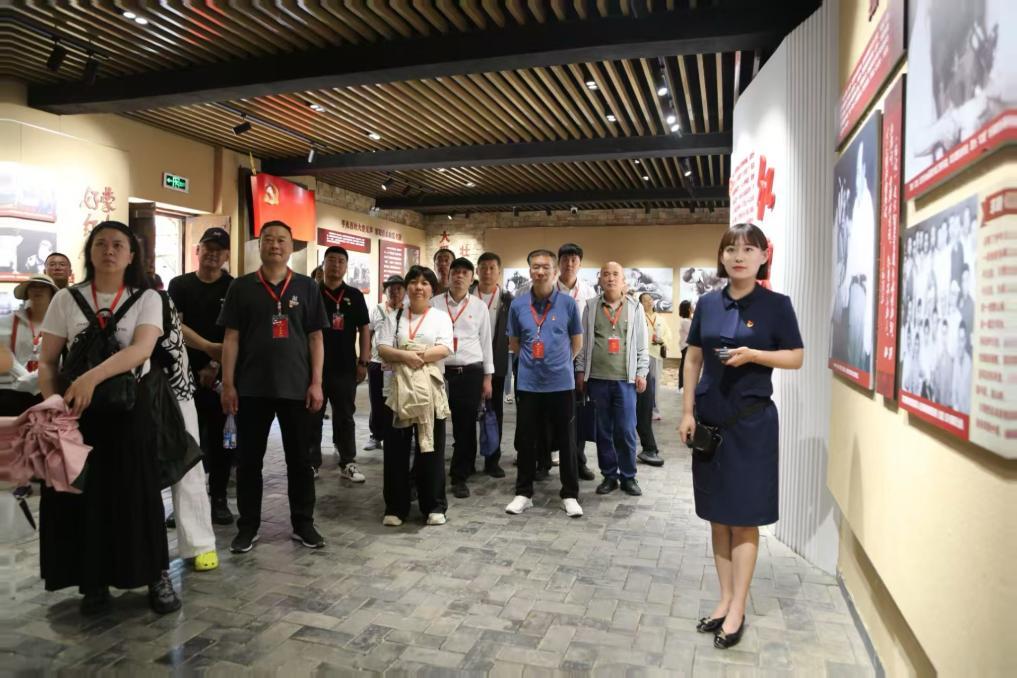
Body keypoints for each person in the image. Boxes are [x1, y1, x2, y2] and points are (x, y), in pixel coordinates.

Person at [37, 220, 180, 615]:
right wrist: (54, 405)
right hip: (77, 415)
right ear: (90, 252)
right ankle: (93, 580)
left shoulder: (148, 298)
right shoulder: (66, 299)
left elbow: (141, 350)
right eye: (101, 244)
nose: (109, 251)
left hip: (130, 411)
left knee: (138, 494)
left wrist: (89, 378)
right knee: (84, 497)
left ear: (132, 255)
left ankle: (155, 574)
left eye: (119, 244)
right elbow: (48, 362)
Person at [679, 223, 804, 649]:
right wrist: (687, 411)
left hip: (752, 424)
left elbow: (796, 357)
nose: (739, 256)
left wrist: (755, 355)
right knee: (718, 515)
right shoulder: (707, 303)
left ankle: (738, 608)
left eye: (749, 249)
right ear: (722, 256)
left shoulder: (776, 305)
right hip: (711, 423)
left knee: (744, 518)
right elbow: (693, 359)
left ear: (763, 256)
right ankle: (724, 598)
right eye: (731, 249)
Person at [218, 220, 328, 553]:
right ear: (260, 245)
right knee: (249, 462)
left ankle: (303, 524)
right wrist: (228, 384)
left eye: (282, 239)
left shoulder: (307, 287)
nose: (275, 245)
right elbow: (231, 338)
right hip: (251, 388)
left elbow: (316, 338)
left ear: (291, 246)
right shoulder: (241, 287)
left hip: (296, 388)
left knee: (300, 461)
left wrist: (317, 383)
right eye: (269, 239)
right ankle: (248, 527)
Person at [505, 249, 584, 518]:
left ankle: (570, 494)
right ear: (530, 271)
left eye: (546, 267)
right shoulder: (518, 305)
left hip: (561, 384)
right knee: (527, 439)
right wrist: (533, 362)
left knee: (567, 441)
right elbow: (514, 343)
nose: (540, 272)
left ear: (555, 271)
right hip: (529, 384)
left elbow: (577, 342)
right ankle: (523, 493)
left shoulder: (568, 304)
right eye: (535, 267)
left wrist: (559, 363)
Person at [167, 227, 235, 525]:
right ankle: (183, 503)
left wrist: (216, 364)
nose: (212, 254)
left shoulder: (233, 287)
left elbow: (234, 332)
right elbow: (175, 326)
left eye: (219, 250)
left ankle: (218, 498)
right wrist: (208, 348)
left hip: (222, 378)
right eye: (208, 248)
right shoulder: (179, 285)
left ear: (226, 255)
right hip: (183, 376)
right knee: (184, 441)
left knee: (222, 442)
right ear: (198, 250)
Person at [376, 265, 453, 526]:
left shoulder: (440, 317)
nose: (419, 287)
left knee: (430, 448)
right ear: (407, 287)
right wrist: (410, 356)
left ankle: (434, 506)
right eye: (414, 282)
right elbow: (383, 348)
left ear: (432, 289)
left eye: (425, 283)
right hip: (398, 391)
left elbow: (445, 348)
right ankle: (396, 507)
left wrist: (408, 355)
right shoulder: (395, 316)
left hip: (430, 391)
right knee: (395, 451)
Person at [576, 263, 649, 497]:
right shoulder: (591, 306)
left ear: (623, 280)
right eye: (606, 274)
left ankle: (629, 476)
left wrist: (641, 372)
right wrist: (580, 371)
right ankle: (609, 475)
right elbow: (583, 343)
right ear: (600, 279)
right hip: (597, 379)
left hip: (625, 380)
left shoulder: (635, 307)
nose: (610, 278)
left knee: (626, 430)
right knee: (603, 431)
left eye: (615, 274)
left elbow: (642, 344)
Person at [435, 258, 494, 499]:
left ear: (471, 279)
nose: (459, 276)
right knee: (434, 424)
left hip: (469, 372)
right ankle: (429, 474)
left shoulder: (479, 307)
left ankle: (459, 476)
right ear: (449, 276)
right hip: (439, 372)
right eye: (455, 272)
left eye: (464, 273)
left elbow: (486, 342)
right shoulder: (435, 303)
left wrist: (487, 378)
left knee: (465, 426)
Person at [311, 246, 370, 483]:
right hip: (314, 368)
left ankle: (348, 462)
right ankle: (311, 464)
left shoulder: (354, 295)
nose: (336, 265)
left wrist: (363, 361)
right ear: (323, 264)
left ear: (346, 267)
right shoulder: (312, 292)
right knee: (312, 416)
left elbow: (364, 329)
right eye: (331, 260)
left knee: (345, 416)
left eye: (340, 261)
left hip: (345, 367)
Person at [0, 273, 58, 499]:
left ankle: (44, 474)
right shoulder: (8, 321)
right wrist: (25, 377)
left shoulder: (59, 321)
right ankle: (22, 479)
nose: (37, 290)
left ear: (52, 293)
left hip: (47, 387)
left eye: (42, 287)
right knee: (17, 435)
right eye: (32, 286)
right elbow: (5, 353)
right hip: (15, 387)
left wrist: (36, 378)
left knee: (46, 432)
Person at [473, 251, 514, 478]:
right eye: (483, 268)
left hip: (496, 364)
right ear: (477, 271)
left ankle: (492, 460)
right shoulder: (468, 295)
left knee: (494, 412)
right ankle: (466, 460)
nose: (487, 272)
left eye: (492, 268)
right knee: (467, 414)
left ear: (499, 272)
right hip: (469, 364)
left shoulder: (508, 300)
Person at [366, 275, 406, 451]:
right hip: (377, 363)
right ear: (385, 291)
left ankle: (395, 434)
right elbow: (368, 333)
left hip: (399, 363)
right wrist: (366, 354)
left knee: (397, 399)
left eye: (399, 288)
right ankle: (376, 435)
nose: (395, 292)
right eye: (391, 288)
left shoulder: (408, 311)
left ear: (404, 291)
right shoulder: (377, 310)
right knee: (376, 400)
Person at [637, 291, 667, 466]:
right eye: (645, 300)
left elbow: (667, 334)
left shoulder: (657, 318)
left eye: (650, 300)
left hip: (648, 357)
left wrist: (662, 341)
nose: (649, 302)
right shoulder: (637, 314)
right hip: (625, 365)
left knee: (646, 401)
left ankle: (649, 448)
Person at [678, 300, 693, 391]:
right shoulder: (686, 321)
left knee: (687, 365)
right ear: (688, 309)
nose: (693, 307)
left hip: (688, 346)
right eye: (691, 306)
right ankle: (682, 386)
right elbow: (692, 332)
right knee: (684, 366)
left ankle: (685, 385)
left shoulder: (689, 320)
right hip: (686, 346)